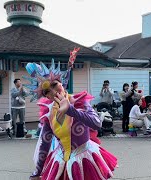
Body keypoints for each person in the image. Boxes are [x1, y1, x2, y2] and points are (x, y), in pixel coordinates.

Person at [28, 49, 117, 180]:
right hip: (60, 161)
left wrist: (71, 110)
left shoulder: (79, 101)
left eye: (55, 84)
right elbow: (45, 144)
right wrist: (37, 171)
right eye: (47, 91)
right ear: (45, 95)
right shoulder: (48, 113)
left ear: (61, 83)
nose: (53, 91)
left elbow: (97, 123)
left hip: (84, 160)